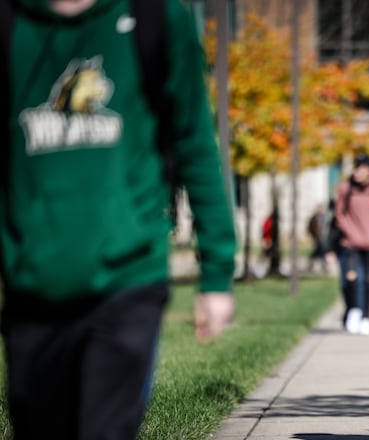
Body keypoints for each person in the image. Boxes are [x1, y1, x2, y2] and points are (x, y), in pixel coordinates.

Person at [0, 0, 237, 438]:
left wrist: (217, 274)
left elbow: (196, 145)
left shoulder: (155, 17)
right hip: (31, 283)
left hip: (129, 278)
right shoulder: (11, 22)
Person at [334, 153, 369, 335]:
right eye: (356, 168)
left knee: (367, 281)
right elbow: (340, 215)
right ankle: (353, 310)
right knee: (351, 279)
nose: (358, 172)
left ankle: (366, 316)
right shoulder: (346, 188)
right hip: (350, 243)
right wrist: (352, 232)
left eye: (362, 168)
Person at [306, 203, 329, 274]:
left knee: (321, 251)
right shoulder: (314, 218)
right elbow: (310, 227)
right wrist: (312, 235)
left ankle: (323, 266)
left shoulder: (325, 217)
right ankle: (312, 265)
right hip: (317, 237)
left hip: (324, 237)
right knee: (319, 251)